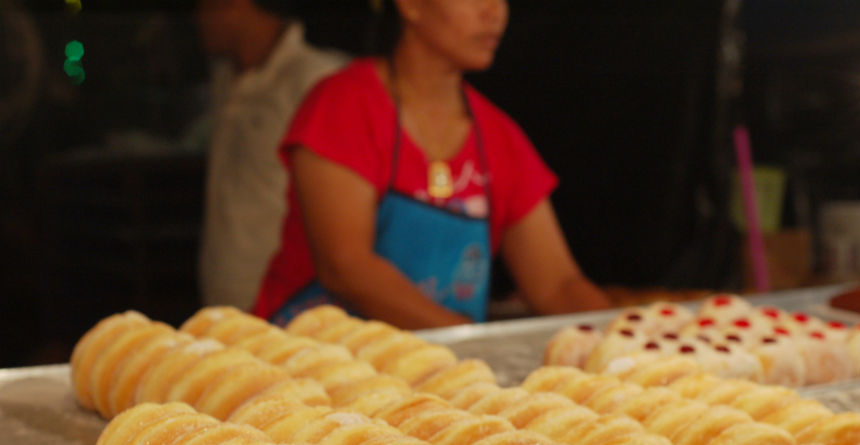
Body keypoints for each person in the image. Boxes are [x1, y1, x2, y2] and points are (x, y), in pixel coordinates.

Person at [253, 0, 611, 329]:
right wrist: (466, 341)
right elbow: (345, 267)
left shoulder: (499, 136)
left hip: (435, 375)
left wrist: (626, 333)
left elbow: (557, 286)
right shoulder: (343, 105)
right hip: (310, 361)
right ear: (409, 5)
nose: (495, 12)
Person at [196, 0, 347, 310]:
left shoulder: (319, 80)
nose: (196, 19)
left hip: (293, 304)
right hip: (225, 296)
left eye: (203, 7)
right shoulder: (226, 76)